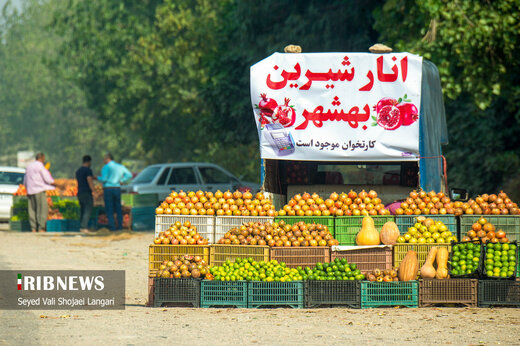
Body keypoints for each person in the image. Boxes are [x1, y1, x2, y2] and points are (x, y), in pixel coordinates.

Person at [24, 152, 57, 232]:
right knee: (42, 209)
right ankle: (41, 227)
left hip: (30, 190)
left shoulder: (29, 166)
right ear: (42, 158)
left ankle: (33, 228)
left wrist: (26, 188)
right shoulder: (40, 166)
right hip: (39, 190)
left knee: (32, 209)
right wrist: (56, 184)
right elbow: (47, 178)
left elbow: (25, 179)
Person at [98, 153, 132, 231]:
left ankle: (112, 227)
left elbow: (104, 179)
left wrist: (97, 178)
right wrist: (122, 180)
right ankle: (120, 227)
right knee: (118, 208)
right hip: (117, 188)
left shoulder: (106, 167)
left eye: (104, 159)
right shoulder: (120, 166)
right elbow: (129, 175)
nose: (103, 160)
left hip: (108, 189)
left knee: (109, 208)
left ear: (108, 158)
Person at [76, 155, 96, 233]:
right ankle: (84, 227)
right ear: (89, 162)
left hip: (80, 192)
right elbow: (89, 180)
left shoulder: (78, 171)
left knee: (82, 210)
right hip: (86, 192)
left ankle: (81, 226)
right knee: (88, 209)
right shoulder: (88, 170)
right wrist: (94, 191)